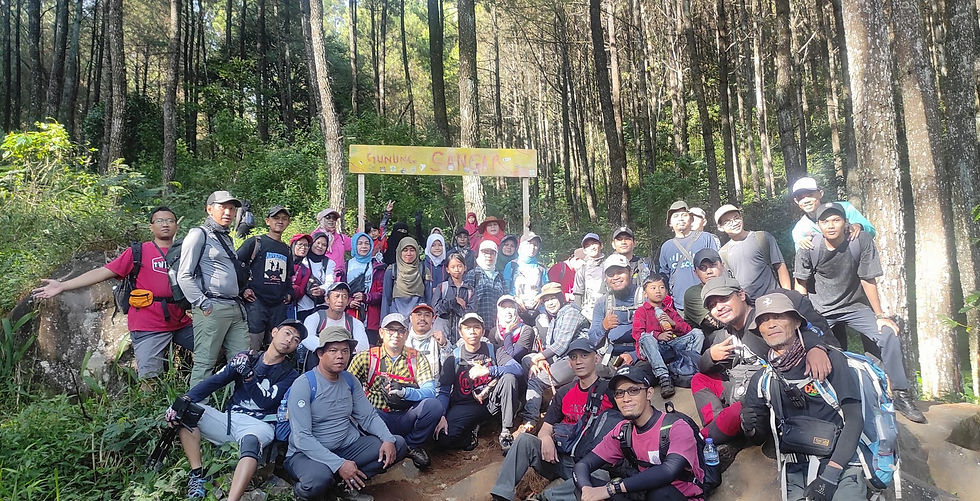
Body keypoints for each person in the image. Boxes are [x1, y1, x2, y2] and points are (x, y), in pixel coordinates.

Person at [793, 202, 926, 423]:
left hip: (854, 306)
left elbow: (868, 278)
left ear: (846, 223)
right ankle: (826, 399)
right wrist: (804, 321)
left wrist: (880, 315)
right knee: (818, 349)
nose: (831, 225)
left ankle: (901, 394)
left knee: (888, 334)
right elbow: (801, 286)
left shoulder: (860, 241)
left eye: (836, 220)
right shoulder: (808, 247)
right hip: (821, 309)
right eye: (825, 221)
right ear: (818, 225)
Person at [32, 206, 193, 380]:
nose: (165, 224)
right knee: (150, 379)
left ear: (177, 226)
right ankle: (149, 406)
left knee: (213, 348)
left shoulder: (185, 251)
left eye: (170, 221)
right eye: (159, 221)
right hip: (149, 325)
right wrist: (63, 285)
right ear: (151, 227)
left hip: (181, 321)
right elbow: (103, 271)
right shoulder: (139, 252)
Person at [741, 292, 868, 501]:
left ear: (797, 321)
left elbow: (854, 418)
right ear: (759, 331)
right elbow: (761, 435)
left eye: (778, 316)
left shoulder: (830, 360)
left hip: (842, 465)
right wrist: (750, 426)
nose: (770, 324)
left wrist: (830, 477)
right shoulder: (762, 380)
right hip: (796, 469)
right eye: (763, 320)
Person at [168, 320, 302, 500]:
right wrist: (185, 399)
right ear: (274, 332)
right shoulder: (248, 358)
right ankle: (197, 475)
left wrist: (249, 376)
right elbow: (215, 381)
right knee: (185, 411)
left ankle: (233, 498)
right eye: (287, 333)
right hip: (231, 419)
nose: (289, 340)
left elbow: (265, 401)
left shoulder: (290, 375)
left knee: (251, 442)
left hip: (261, 424)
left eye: (295, 340)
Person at [695, 276, 831, 445]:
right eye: (712, 305)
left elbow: (798, 329)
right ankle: (716, 424)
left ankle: (705, 438)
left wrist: (815, 347)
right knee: (699, 379)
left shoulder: (761, 320)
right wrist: (711, 355)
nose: (719, 307)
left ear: (742, 295)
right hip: (741, 385)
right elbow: (702, 367)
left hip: (766, 392)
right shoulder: (726, 333)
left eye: (723, 299)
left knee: (735, 413)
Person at [284, 325, 408, 501]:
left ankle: (344, 486)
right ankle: (305, 491)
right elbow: (302, 437)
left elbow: (368, 416)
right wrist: (338, 464)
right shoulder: (304, 384)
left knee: (397, 444)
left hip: (347, 447)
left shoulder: (350, 381)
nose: (340, 356)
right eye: (333, 350)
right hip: (308, 454)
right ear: (320, 353)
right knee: (318, 480)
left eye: (345, 351)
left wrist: (387, 439)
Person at [491, 339, 615, 501]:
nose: (579, 361)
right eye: (574, 357)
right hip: (558, 457)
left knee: (602, 476)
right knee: (524, 441)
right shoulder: (564, 392)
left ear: (596, 358)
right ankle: (501, 496)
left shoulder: (611, 391)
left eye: (584, 355)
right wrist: (546, 438)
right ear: (569, 363)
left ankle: (542, 498)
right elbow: (546, 427)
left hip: (590, 466)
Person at [573, 365, 707, 501]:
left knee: (660, 494)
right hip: (644, 493)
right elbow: (582, 465)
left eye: (633, 390)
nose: (626, 399)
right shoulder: (623, 431)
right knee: (584, 490)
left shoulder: (676, 426)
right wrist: (586, 490)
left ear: (649, 393)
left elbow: (668, 471)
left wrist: (612, 489)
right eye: (619, 393)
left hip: (679, 496)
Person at [348, 313, 442, 470]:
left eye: (400, 331)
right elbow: (346, 388)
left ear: (406, 334)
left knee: (434, 406)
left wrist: (405, 392)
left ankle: (411, 445)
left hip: (406, 415)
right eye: (391, 330)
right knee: (365, 414)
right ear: (381, 332)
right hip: (377, 416)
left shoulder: (416, 357)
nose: (396, 335)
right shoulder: (366, 358)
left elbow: (430, 390)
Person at [177, 191, 251, 387]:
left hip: (235, 307)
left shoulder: (226, 237)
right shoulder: (198, 234)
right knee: (204, 363)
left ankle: (239, 409)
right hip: (212, 307)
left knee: (242, 362)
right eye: (222, 207)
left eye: (232, 208)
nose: (228, 211)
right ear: (209, 209)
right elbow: (184, 274)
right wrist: (202, 303)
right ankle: (195, 411)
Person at [684, 248, 829, 339]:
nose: (709, 271)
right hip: (721, 339)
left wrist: (814, 345)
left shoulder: (733, 283)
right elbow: (716, 324)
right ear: (695, 273)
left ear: (722, 265)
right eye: (703, 268)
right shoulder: (693, 294)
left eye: (713, 265)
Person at [434, 313, 523, 452]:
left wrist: (489, 370)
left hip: (492, 402)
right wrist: (441, 415)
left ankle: (506, 430)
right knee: (443, 437)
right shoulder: (454, 357)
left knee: (509, 378)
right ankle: (472, 432)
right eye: (467, 328)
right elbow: (444, 390)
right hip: (465, 405)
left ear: (482, 331)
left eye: (476, 327)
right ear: (460, 332)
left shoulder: (493, 349)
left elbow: (517, 369)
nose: (472, 331)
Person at [523, 282, 591, 433]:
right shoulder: (555, 318)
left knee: (535, 381)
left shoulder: (570, 312)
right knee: (526, 359)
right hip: (561, 359)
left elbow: (561, 345)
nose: (550, 303)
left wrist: (539, 358)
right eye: (546, 300)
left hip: (575, 359)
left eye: (553, 298)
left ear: (561, 298)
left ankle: (530, 421)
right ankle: (541, 405)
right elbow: (548, 346)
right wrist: (538, 360)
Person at [632, 275, 705, 399]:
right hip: (651, 349)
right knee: (645, 337)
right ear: (645, 293)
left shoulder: (670, 311)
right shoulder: (641, 311)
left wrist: (673, 323)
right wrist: (657, 335)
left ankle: (688, 367)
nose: (658, 291)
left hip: (669, 347)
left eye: (661, 287)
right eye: (653, 288)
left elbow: (687, 330)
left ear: (666, 291)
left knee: (697, 333)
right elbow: (638, 335)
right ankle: (663, 376)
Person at [238, 205, 295, 351]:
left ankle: (270, 373)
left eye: (284, 219)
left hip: (278, 305)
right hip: (256, 302)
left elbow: (288, 276)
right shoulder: (256, 242)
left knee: (276, 348)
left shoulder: (287, 249)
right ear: (267, 221)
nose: (280, 222)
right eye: (276, 218)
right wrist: (243, 289)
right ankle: (247, 373)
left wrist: (289, 293)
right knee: (252, 346)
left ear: (288, 222)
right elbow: (236, 264)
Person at [714, 204, 791, 300]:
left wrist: (787, 295)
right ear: (720, 227)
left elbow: (780, 266)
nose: (734, 223)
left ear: (741, 218)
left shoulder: (762, 237)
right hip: (748, 306)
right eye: (727, 222)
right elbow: (729, 283)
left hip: (774, 299)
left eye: (736, 218)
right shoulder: (723, 253)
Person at [659, 200, 720, 314]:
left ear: (691, 219)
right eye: (676, 216)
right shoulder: (666, 247)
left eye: (684, 215)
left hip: (708, 301)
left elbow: (717, 267)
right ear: (670, 223)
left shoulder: (705, 238)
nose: (680, 219)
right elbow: (664, 276)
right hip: (679, 306)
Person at [790, 177, 876, 250]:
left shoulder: (845, 208)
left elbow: (871, 231)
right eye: (800, 198)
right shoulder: (799, 230)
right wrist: (803, 245)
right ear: (796, 201)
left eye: (810, 195)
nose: (806, 201)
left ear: (820, 194)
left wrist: (859, 226)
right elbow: (802, 260)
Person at [589, 254, 644, 360]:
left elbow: (660, 337)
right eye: (610, 274)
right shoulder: (602, 303)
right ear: (605, 279)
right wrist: (603, 326)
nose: (615, 277)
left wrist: (634, 356)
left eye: (620, 272)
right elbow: (592, 342)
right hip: (611, 355)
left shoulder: (645, 297)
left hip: (642, 355)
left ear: (631, 272)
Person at [302, 282, 370, 369]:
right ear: (327, 299)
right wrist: (332, 350)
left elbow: (363, 346)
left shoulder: (354, 323)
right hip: (318, 364)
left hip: (343, 366)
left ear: (348, 301)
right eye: (336, 296)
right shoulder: (315, 318)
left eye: (344, 297)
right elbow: (307, 338)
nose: (340, 300)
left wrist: (338, 351)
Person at [463, 240, 509, 332]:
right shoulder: (473, 275)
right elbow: (466, 301)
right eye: (486, 253)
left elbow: (506, 298)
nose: (489, 256)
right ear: (480, 253)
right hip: (477, 326)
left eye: (492, 253)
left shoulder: (499, 276)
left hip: (498, 326)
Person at [431, 252, 474, 344]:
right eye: (453, 267)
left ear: (465, 268)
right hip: (443, 330)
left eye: (459, 266)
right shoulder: (442, 287)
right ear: (447, 269)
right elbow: (437, 309)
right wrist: (454, 302)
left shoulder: (469, 290)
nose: (456, 269)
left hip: (462, 333)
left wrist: (456, 309)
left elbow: (471, 312)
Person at [381, 236, 428, 317]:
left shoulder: (423, 270)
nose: (409, 253)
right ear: (399, 252)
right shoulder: (392, 270)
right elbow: (386, 298)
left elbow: (428, 298)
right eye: (405, 250)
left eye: (412, 250)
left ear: (417, 251)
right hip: (396, 316)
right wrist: (384, 321)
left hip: (418, 316)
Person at [297, 230, 339, 321]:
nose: (320, 246)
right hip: (303, 306)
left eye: (324, 245)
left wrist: (322, 290)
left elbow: (330, 281)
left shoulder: (329, 263)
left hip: (322, 306)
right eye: (318, 243)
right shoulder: (302, 260)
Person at [405, 303, 452, 379]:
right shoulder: (403, 340)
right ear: (411, 318)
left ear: (433, 319)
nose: (422, 318)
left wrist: (444, 345)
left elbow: (448, 369)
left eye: (427, 315)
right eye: (418, 314)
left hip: (434, 386)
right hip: (408, 386)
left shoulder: (439, 340)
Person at [504, 232, 548, 310]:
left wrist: (540, 298)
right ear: (521, 246)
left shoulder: (541, 269)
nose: (532, 247)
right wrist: (515, 299)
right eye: (529, 244)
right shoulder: (512, 265)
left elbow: (546, 290)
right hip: (515, 309)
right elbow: (505, 289)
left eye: (535, 245)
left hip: (537, 310)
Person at [574, 233, 606, 320]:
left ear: (601, 246)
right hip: (587, 315)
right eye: (587, 245)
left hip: (607, 313)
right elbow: (578, 295)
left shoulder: (609, 266)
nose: (592, 247)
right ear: (584, 251)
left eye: (594, 243)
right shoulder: (581, 271)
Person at [497, 295, 536, 365]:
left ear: (516, 310)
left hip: (522, 370)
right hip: (500, 370)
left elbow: (513, 356)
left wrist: (507, 332)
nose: (508, 311)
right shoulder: (495, 332)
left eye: (511, 307)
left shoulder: (526, 330)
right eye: (504, 308)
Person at [346, 232, 375, 323]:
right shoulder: (346, 265)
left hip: (371, 315)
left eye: (367, 243)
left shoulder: (376, 266)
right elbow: (340, 289)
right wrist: (349, 302)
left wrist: (365, 297)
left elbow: (381, 292)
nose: (364, 246)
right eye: (360, 243)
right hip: (350, 312)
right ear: (354, 245)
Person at [315, 207, 352, 275]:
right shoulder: (314, 237)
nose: (331, 220)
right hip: (321, 277)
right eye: (328, 217)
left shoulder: (341, 238)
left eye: (334, 218)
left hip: (339, 278)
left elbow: (358, 244)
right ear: (321, 219)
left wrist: (362, 222)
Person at [288, 234, 313, 320]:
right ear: (293, 245)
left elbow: (301, 292)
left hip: (290, 306)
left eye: (306, 245)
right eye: (300, 244)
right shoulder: (283, 262)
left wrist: (293, 290)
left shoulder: (305, 270)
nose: (303, 247)